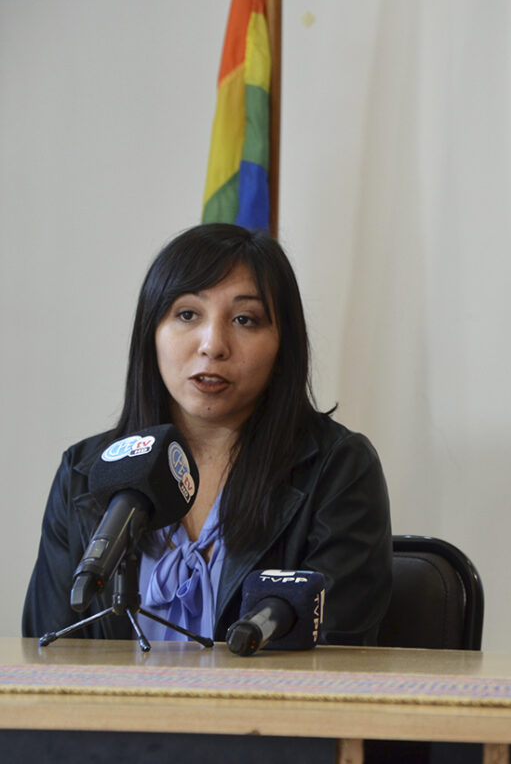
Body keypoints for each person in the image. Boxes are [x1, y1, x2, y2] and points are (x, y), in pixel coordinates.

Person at [23, 223, 392, 646]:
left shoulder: (337, 470)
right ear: (151, 332)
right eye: (187, 315)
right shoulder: (84, 472)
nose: (213, 345)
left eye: (245, 320)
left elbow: (334, 652)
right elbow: (48, 650)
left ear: (282, 343)